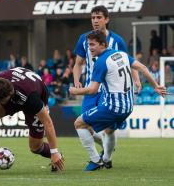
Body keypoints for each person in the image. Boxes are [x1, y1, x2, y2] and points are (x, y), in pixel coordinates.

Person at [69, 30, 167, 171]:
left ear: (103, 44)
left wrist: (75, 90)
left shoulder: (101, 62)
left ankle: (95, 161)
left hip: (112, 107)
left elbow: (92, 90)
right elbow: (143, 68)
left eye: (92, 45)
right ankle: (107, 160)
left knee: (79, 123)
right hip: (128, 106)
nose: (89, 48)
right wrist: (156, 86)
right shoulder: (121, 54)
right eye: (88, 45)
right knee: (109, 130)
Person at [72, 5, 142, 158]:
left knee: (109, 129)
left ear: (107, 19)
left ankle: (106, 158)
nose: (95, 21)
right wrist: (77, 81)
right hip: (91, 90)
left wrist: (136, 80)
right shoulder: (84, 39)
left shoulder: (117, 41)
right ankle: (105, 148)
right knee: (85, 125)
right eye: (93, 18)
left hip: (110, 92)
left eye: (99, 17)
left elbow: (129, 62)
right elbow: (78, 63)